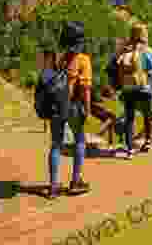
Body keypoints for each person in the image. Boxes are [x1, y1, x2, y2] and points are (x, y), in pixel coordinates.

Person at [107, 23, 152, 159]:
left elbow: (112, 65)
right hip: (144, 88)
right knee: (148, 115)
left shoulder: (124, 51)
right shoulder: (149, 52)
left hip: (128, 88)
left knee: (129, 118)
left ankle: (129, 149)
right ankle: (147, 141)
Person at [47, 21, 92, 199]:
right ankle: (75, 181)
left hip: (56, 107)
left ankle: (53, 186)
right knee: (80, 140)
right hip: (73, 106)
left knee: (56, 144)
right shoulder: (83, 60)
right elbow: (85, 89)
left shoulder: (57, 57)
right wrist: (87, 110)